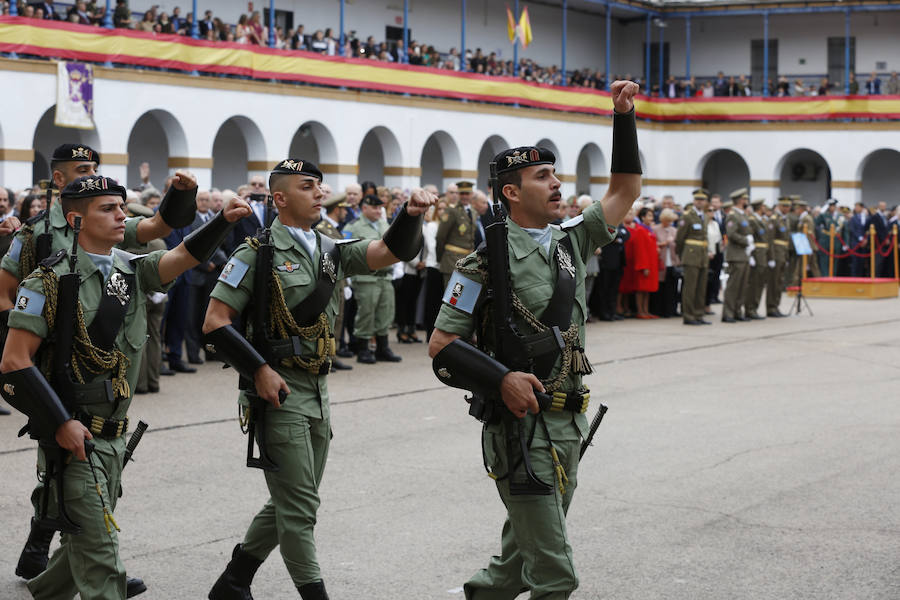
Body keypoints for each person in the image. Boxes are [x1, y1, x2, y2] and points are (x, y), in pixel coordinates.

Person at [428, 80, 641, 599]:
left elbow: (625, 191)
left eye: (555, 175)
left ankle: (486, 592)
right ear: (511, 191)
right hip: (522, 430)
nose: (556, 184)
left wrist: (623, 117)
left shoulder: (574, 238)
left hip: (570, 420)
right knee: (555, 573)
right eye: (542, 177)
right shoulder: (480, 264)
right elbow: (440, 347)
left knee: (522, 555)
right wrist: (501, 379)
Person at [0, 173, 250, 600]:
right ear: (75, 220)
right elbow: (13, 362)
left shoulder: (129, 271)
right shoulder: (45, 283)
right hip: (73, 437)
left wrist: (223, 221)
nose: (123, 215)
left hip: (115, 437)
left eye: (122, 206)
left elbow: (182, 256)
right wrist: (59, 422)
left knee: (79, 547)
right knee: (101, 558)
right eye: (109, 209)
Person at [203, 158, 433, 600]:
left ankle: (233, 582)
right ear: (280, 198)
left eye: (320, 185)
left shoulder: (330, 250)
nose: (320, 192)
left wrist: (411, 214)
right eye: (308, 186)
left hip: (319, 390)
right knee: (300, 507)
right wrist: (259, 371)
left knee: (295, 498)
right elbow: (215, 321)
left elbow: (390, 252)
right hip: (277, 390)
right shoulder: (256, 252)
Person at [342, 194, 403, 363]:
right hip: (365, 277)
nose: (378, 211)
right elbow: (344, 250)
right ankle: (363, 349)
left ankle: (383, 348)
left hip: (385, 277)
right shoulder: (353, 226)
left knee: (386, 313)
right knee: (366, 313)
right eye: (375, 208)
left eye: (380, 208)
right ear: (364, 208)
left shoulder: (384, 224)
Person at [314, 193, 353, 371]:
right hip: (329, 280)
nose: (346, 212)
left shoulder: (335, 228)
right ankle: (324, 356)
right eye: (344, 208)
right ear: (337, 209)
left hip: (338, 280)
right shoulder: (324, 228)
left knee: (338, 317)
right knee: (329, 318)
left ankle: (332, 354)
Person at [675, 188, 711, 325]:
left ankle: (698, 314)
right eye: (697, 199)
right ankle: (689, 315)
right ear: (694, 201)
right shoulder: (687, 216)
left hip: (702, 255)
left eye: (702, 200)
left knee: (701, 287)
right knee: (690, 287)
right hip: (691, 255)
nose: (700, 202)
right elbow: (679, 239)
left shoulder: (705, 216)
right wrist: (681, 255)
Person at [435, 180, 477, 287]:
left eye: (467, 194)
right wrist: (440, 257)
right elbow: (440, 236)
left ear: (471, 194)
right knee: (451, 297)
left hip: (467, 261)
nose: (464, 197)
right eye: (462, 193)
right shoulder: (451, 211)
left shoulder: (473, 212)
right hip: (451, 261)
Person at [722, 188, 753, 322]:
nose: (746, 201)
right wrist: (746, 240)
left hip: (744, 254)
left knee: (742, 286)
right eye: (745, 199)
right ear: (740, 200)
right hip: (736, 254)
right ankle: (728, 313)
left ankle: (737, 311)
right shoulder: (733, 215)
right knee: (733, 286)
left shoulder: (743, 215)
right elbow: (731, 234)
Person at [744, 198, 770, 320]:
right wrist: (751, 256)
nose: (766, 208)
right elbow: (751, 239)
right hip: (757, 254)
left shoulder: (762, 220)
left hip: (763, 254)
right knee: (754, 283)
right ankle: (750, 309)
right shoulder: (752, 220)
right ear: (760, 207)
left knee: (760, 283)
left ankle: (754, 307)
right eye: (764, 206)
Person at [766, 197, 792, 317]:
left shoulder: (785, 219)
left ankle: (776, 306)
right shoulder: (774, 219)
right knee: (773, 282)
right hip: (776, 254)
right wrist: (771, 257)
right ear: (780, 206)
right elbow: (770, 240)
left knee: (779, 282)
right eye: (785, 206)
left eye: (788, 206)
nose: (787, 208)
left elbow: (786, 240)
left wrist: (786, 257)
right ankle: (771, 307)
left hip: (782, 254)